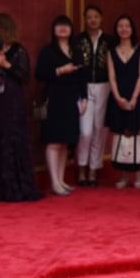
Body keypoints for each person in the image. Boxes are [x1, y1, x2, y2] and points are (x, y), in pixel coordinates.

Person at [0, 13, 43, 201]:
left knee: (12, 140)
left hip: (12, 101)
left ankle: (14, 188)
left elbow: (23, 76)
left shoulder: (19, 50)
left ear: (3, 27)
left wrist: (6, 65)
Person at [35, 15, 87, 195]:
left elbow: (83, 77)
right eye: (59, 26)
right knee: (54, 141)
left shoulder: (76, 50)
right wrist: (59, 70)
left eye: (66, 26)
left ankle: (62, 180)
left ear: (71, 29)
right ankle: (54, 182)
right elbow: (40, 74)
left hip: (72, 100)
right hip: (55, 99)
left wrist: (85, 98)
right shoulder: (48, 51)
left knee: (66, 142)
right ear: (54, 29)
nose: (63, 29)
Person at [105, 15, 140, 189]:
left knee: (136, 135)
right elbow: (111, 77)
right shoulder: (111, 51)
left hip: (137, 96)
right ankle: (123, 175)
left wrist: (133, 99)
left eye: (127, 26)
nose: (124, 29)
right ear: (116, 29)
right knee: (119, 134)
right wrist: (118, 98)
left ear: (132, 29)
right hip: (118, 95)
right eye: (120, 26)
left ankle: (138, 174)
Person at [74, 4, 112, 186]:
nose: (93, 20)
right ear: (85, 19)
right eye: (89, 17)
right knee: (85, 132)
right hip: (84, 87)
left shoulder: (109, 40)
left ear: (101, 18)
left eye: (96, 16)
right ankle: (81, 167)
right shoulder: (78, 40)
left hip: (105, 86)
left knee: (100, 129)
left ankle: (93, 170)